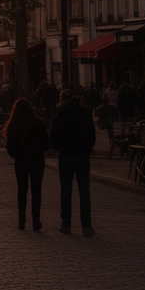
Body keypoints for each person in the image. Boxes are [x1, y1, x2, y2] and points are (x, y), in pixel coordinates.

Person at [49, 88, 96, 236]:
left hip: (66, 157)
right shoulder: (84, 114)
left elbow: (53, 138)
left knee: (66, 191)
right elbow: (92, 135)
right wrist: (87, 150)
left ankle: (66, 224)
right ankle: (86, 225)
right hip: (82, 157)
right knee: (84, 192)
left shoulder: (59, 116)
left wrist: (58, 148)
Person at [4, 98, 49, 231]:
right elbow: (46, 143)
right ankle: (36, 219)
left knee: (22, 190)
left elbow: (10, 146)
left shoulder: (13, 124)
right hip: (37, 160)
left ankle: (21, 220)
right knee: (36, 190)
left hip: (21, 160)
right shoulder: (38, 123)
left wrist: (15, 154)